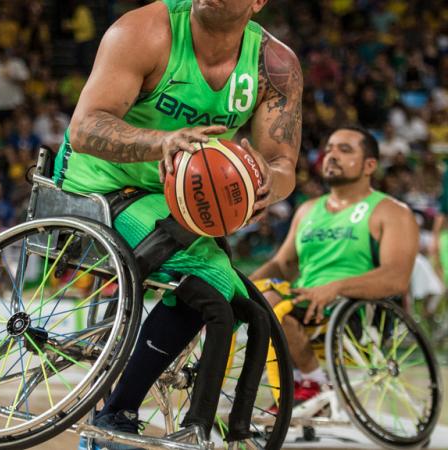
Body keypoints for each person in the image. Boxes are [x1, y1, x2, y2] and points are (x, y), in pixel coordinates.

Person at [55, 1, 302, 448]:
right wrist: (162, 141)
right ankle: (118, 415)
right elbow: (84, 127)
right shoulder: (143, 31)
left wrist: (267, 184)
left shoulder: (275, 65)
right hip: (98, 184)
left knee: (245, 305)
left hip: (179, 203)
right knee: (209, 290)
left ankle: (223, 430)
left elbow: (283, 163)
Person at [251, 127, 418, 409]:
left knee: (272, 302)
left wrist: (335, 288)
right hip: (304, 304)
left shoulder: (391, 211)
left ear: (370, 166)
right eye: (329, 149)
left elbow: (397, 278)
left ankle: (314, 383)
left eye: (345, 150)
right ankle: (297, 384)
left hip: (355, 310)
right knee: (255, 297)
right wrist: (241, 286)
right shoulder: (308, 210)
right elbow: (283, 264)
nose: (331, 156)